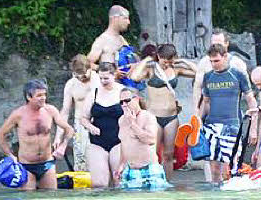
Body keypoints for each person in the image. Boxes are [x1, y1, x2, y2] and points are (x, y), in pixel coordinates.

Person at [128, 44, 197, 177]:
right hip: (154, 117)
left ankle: (167, 182)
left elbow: (199, 72)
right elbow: (134, 77)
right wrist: (146, 60)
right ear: (159, 57)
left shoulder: (175, 69)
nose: (167, 64)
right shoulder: (151, 70)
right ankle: (152, 180)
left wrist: (184, 61)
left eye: (170, 61)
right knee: (152, 152)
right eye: (164, 61)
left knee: (168, 154)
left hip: (171, 117)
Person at [0, 80, 74, 190]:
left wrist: (63, 146)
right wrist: (10, 155)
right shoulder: (18, 114)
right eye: (39, 95)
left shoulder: (50, 110)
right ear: (29, 97)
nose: (43, 98)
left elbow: (69, 129)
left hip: (47, 163)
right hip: (26, 165)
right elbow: (0, 135)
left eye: (44, 94)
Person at [198, 44, 259, 182]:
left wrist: (253, 127)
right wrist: (198, 123)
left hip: (232, 125)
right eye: (211, 61)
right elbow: (206, 102)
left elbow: (251, 100)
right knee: (213, 169)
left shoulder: (238, 74)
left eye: (217, 61)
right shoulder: (208, 76)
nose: (214, 64)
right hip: (211, 125)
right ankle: (215, 199)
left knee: (229, 169)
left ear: (225, 57)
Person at [114, 88, 170, 190]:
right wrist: (121, 165)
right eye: (121, 102)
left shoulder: (148, 116)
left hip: (149, 169)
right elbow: (124, 143)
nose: (124, 105)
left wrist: (132, 124)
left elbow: (151, 140)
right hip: (131, 170)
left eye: (127, 101)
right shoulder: (121, 120)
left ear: (136, 99)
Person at [81, 62, 125, 188]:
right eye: (100, 78)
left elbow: (133, 114)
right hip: (97, 141)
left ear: (114, 75)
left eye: (106, 78)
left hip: (118, 140)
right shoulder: (93, 93)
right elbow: (84, 118)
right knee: (99, 183)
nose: (103, 81)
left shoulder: (122, 91)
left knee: (118, 181)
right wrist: (91, 127)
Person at [192, 28, 248, 116]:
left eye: (219, 43)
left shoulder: (237, 63)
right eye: (213, 43)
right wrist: (196, 109)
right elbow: (197, 87)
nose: (216, 46)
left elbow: (247, 90)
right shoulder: (204, 62)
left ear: (226, 44)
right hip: (209, 110)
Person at [59, 55, 98, 171]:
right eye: (78, 76)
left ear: (90, 69)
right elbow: (65, 111)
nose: (81, 79)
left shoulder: (98, 80)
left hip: (97, 123)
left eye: (84, 75)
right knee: (81, 164)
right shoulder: (71, 84)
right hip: (80, 126)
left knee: (97, 162)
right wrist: (58, 136)